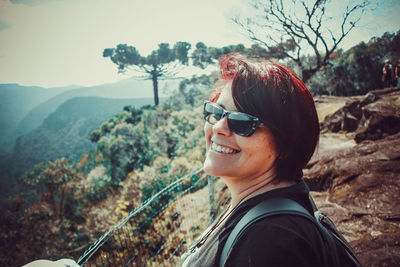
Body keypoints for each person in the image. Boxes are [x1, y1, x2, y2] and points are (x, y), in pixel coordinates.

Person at [181, 54, 333, 267]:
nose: (218, 128)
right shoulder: (261, 205)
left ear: (285, 144)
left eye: (242, 121)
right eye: (216, 112)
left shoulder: (271, 242)